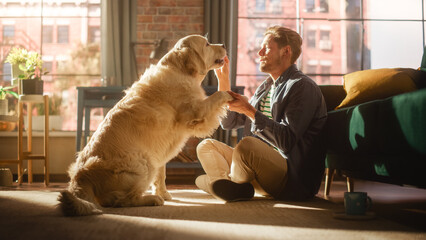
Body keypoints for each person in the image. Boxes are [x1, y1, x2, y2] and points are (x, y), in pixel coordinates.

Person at [195, 26, 328, 201]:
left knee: (246, 146)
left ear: (285, 51)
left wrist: (249, 110)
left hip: (290, 178)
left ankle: (221, 183)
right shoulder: (266, 87)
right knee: (206, 146)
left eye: (266, 48)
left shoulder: (302, 87)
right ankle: (231, 186)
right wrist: (224, 79)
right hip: (257, 170)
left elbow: (286, 141)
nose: (259, 52)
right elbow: (228, 123)